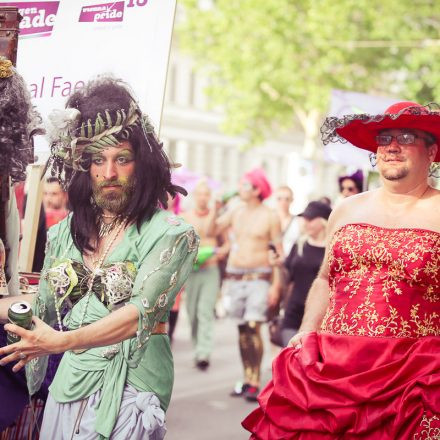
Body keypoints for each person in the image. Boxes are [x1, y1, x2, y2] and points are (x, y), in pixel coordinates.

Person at [0, 77, 199, 439]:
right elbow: (43, 302)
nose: (109, 173)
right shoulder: (64, 232)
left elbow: (137, 315)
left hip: (131, 384)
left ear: (142, 163)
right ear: (82, 164)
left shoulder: (172, 233)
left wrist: (60, 342)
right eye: (97, 159)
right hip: (69, 381)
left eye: (122, 159)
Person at [243, 101, 440, 438]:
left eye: (406, 136)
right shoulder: (346, 209)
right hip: (331, 371)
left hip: (410, 379)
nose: (392, 146)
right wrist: (306, 330)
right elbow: (324, 279)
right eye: (384, 137)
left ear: (432, 151)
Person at [209, 168, 283, 401]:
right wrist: (216, 206)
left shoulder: (270, 216)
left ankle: (254, 381)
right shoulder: (236, 211)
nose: (240, 189)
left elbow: (279, 254)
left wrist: (276, 285)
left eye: (245, 185)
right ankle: (247, 378)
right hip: (235, 277)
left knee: (253, 325)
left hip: (259, 278)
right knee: (242, 329)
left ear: (257, 190)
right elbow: (212, 230)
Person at [182, 180, 227, 370]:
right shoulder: (184, 217)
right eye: (199, 194)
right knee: (192, 312)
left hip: (210, 269)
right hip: (191, 270)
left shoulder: (217, 219)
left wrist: (220, 252)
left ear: (209, 197)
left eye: (206, 194)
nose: (203, 198)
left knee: (204, 311)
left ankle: (203, 352)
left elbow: (227, 242)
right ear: (194, 196)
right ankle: (197, 347)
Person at [281, 201, 331, 347]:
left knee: (309, 362)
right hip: (293, 310)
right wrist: (277, 266)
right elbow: (287, 276)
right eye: (305, 219)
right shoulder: (299, 245)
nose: (306, 223)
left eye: (311, 219)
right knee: (290, 355)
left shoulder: (332, 248)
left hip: (320, 314)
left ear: (323, 221)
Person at [273, 185, 301, 257]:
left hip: (290, 262)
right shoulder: (269, 220)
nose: (283, 202)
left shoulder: (298, 222)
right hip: (271, 262)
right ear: (275, 199)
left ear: (292, 200)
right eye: (279, 199)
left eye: (287, 199)